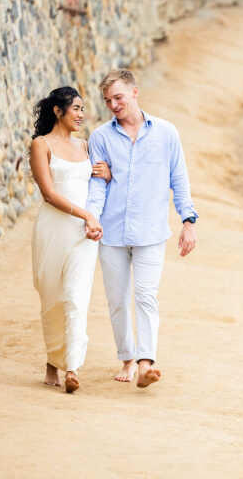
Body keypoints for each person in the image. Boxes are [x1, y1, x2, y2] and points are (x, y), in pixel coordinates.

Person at [85, 69, 197, 389]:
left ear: (135, 93)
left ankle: (146, 362)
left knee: (146, 296)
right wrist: (92, 218)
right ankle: (127, 358)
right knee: (118, 299)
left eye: (118, 97)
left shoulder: (166, 133)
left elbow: (180, 180)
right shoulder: (101, 137)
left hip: (150, 232)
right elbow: (97, 187)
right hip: (112, 232)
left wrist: (187, 222)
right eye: (108, 101)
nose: (113, 105)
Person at [29, 86, 111, 393]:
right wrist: (86, 214)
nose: (81, 114)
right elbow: (49, 194)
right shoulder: (41, 144)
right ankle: (53, 360)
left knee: (76, 298)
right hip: (52, 231)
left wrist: (106, 175)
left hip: (83, 234)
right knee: (52, 298)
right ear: (58, 111)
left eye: (82, 109)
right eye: (76, 108)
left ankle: (72, 368)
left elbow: (99, 183)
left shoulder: (87, 146)